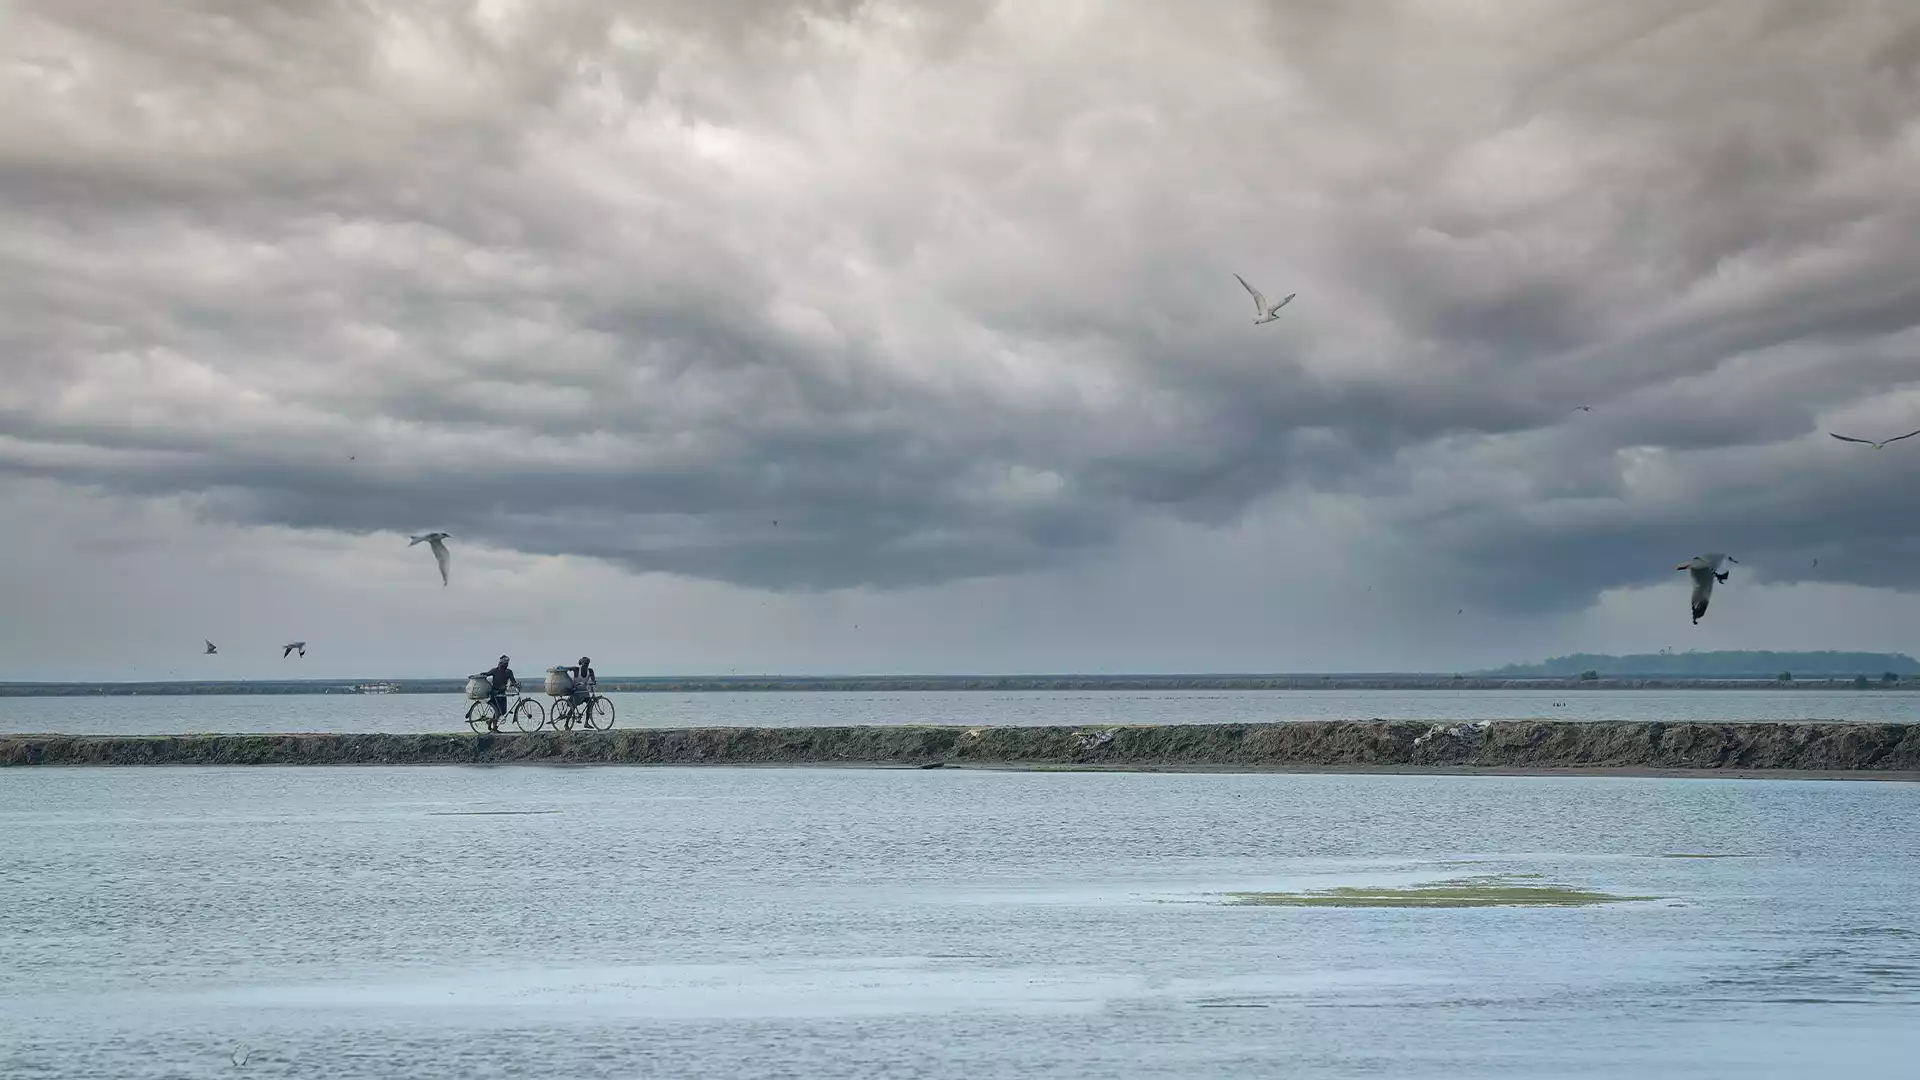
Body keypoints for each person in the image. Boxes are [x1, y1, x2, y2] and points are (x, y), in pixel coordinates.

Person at [476, 654, 518, 729]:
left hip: (502, 693)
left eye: (507, 663)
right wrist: (482, 675)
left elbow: (513, 681)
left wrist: (516, 685)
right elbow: (487, 674)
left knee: (503, 711)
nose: (506, 665)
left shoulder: (509, 672)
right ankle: (494, 727)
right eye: (505, 663)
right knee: (498, 711)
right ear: (501, 663)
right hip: (495, 693)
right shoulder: (495, 670)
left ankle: (490, 722)